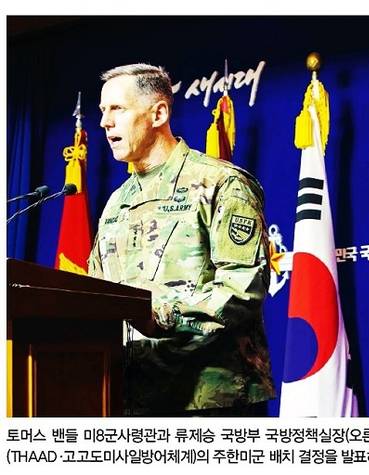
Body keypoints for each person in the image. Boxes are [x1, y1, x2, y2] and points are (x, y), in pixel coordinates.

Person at [88, 63, 275, 416]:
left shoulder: (221, 183)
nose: (105, 122)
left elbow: (242, 288)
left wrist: (161, 314)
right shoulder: (117, 200)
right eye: (102, 111)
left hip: (209, 398)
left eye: (117, 109)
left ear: (158, 113)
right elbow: (99, 292)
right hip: (131, 397)